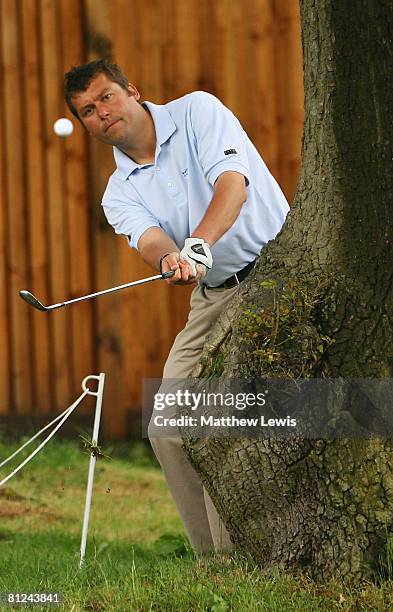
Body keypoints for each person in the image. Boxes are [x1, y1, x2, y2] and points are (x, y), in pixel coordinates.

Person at [64, 59, 289, 555]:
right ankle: (214, 564)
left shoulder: (197, 112)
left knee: (219, 417)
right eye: (87, 110)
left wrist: (199, 244)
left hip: (278, 272)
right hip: (214, 296)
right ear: (84, 125)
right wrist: (171, 257)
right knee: (167, 427)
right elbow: (151, 241)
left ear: (132, 91)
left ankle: (241, 560)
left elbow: (234, 184)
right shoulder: (117, 192)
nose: (101, 113)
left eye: (106, 97)